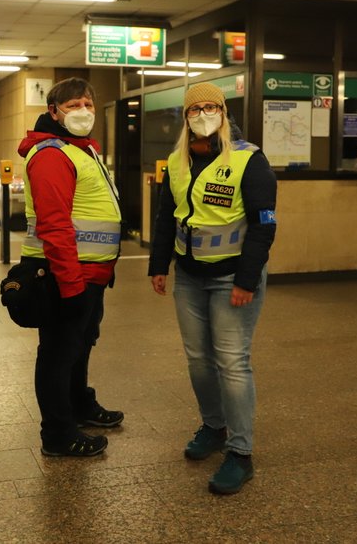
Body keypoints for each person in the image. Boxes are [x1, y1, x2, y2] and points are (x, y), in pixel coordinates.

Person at [148, 82, 277, 494]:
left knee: (232, 362)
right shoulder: (177, 160)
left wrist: (245, 280)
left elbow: (264, 225)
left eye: (211, 107)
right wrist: (158, 264)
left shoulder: (248, 160)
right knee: (199, 360)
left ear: (223, 113)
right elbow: (166, 216)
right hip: (189, 275)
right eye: (195, 109)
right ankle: (214, 427)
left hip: (232, 277)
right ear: (185, 117)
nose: (203, 114)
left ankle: (241, 454)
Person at [18, 77, 123, 457]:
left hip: (91, 273)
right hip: (66, 274)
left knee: (79, 346)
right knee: (58, 353)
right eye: (74, 104)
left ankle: (80, 405)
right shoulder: (51, 154)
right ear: (53, 112)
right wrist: (72, 285)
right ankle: (59, 434)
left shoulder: (81, 150)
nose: (83, 111)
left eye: (88, 104)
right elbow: (55, 225)